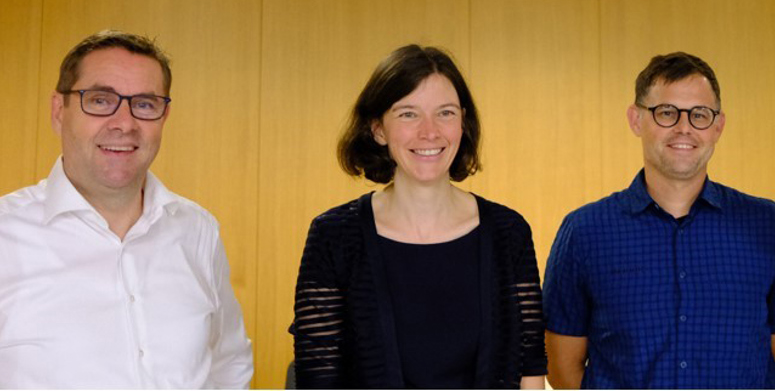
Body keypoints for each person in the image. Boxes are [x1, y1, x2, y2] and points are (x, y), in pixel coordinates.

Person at [542, 51, 775, 389]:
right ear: (636, 119)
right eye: (667, 113)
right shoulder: (584, 232)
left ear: (718, 126)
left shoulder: (769, 225)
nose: (684, 128)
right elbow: (562, 370)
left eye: (700, 114)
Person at [0, 30, 253, 388]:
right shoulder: (6, 234)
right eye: (101, 100)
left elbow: (228, 363)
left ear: (164, 117)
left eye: (145, 104)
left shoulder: (198, 230)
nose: (124, 123)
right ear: (59, 111)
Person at [292, 45, 547, 389]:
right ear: (378, 129)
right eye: (408, 114)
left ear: (463, 122)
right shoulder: (333, 235)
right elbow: (318, 377)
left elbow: (530, 365)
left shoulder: (508, 232)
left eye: (445, 113)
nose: (430, 132)